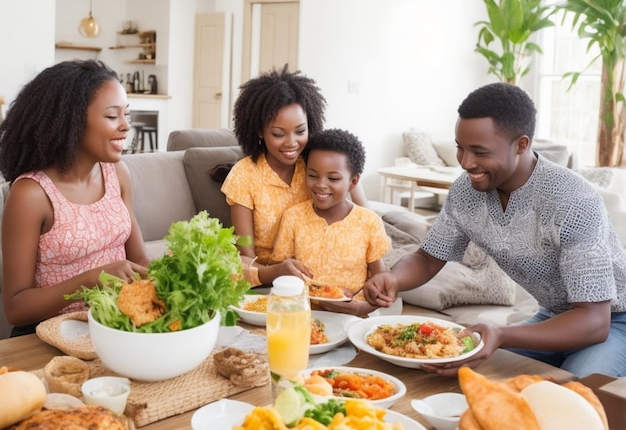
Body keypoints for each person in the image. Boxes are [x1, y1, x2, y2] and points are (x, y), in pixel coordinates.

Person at [364, 82, 626, 378]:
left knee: (577, 393)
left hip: (614, 323)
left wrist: (502, 334)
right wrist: (393, 279)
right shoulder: (466, 191)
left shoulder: (572, 199)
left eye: (479, 152)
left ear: (521, 145)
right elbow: (427, 259)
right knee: (464, 369)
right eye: (460, 148)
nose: (465, 162)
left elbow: (594, 321)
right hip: (554, 317)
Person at [0, 59, 149, 336]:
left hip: (115, 326)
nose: (126, 126)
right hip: (51, 336)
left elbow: (139, 258)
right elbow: (15, 308)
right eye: (111, 116)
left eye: (126, 114)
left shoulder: (118, 173)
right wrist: (92, 279)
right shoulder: (31, 194)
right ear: (71, 121)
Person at [221, 65, 367, 285]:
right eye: (278, 134)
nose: (291, 143)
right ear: (260, 132)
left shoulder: (316, 162)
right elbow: (246, 257)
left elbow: (364, 216)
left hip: (323, 266)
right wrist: (277, 272)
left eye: (300, 131)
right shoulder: (244, 175)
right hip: (270, 273)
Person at [271, 128, 390, 317]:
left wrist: (361, 308)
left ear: (353, 181)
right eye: (312, 175)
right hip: (300, 313)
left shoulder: (368, 222)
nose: (321, 184)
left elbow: (381, 283)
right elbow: (281, 272)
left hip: (353, 315)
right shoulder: (293, 217)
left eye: (333, 178)